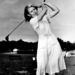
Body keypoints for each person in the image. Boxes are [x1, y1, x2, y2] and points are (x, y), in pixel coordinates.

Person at [24, 2, 66, 75]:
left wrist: (46, 3)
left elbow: (57, 10)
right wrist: (41, 6)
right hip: (43, 44)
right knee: (41, 66)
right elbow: (44, 10)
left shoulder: (45, 17)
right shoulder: (32, 21)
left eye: (34, 9)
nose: (34, 11)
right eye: (31, 11)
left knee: (53, 65)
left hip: (53, 42)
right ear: (28, 14)